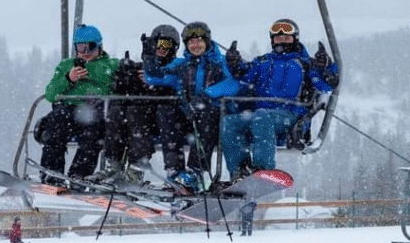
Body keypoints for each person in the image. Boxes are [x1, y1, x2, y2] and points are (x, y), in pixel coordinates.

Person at [220, 18, 338, 179]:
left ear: (295, 39)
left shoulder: (305, 64)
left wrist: (325, 67)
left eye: (286, 37)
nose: (281, 40)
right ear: (272, 40)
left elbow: (326, 86)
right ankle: (239, 169)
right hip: (259, 115)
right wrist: (234, 63)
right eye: (278, 37)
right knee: (229, 122)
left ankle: (263, 168)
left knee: (262, 116)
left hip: (290, 115)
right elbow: (244, 76)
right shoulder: (263, 62)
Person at [143, 21, 240, 190]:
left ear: (207, 41)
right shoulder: (182, 64)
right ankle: (175, 170)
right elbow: (154, 76)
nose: (195, 46)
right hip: (188, 115)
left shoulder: (219, 62)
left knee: (206, 113)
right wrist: (149, 58)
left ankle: (195, 171)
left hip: (213, 117)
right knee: (166, 111)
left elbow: (234, 84)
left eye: (199, 41)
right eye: (191, 42)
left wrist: (206, 96)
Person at [94, 24, 186, 183]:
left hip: (164, 119)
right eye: (158, 44)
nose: (162, 48)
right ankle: (113, 164)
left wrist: (155, 82)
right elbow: (121, 90)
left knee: (136, 112)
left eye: (167, 45)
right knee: (117, 111)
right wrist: (123, 77)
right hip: (139, 118)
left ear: (174, 47)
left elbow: (174, 87)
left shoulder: (176, 67)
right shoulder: (141, 68)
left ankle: (137, 167)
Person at [37, 25, 120, 185]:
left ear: (99, 46)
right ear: (75, 48)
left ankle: (78, 174)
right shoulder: (66, 66)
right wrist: (68, 79)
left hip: (96, 111)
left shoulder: (111, 65)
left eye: (91, 47)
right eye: (81, 47)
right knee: (56, 123)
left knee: (93, 132)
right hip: (68, 110)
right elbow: (50, 94)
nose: (86, 52)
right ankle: (52, 172)